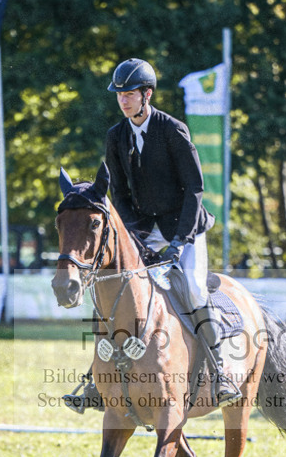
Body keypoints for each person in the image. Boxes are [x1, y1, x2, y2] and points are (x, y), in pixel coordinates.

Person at [66, 57, 241, 413]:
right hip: (144, 232)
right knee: (119, 293)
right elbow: (120, 195)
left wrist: (179, 241)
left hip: (185, 227)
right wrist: (135, 236)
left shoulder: (172, 129)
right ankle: (94, 381)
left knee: (191, 289)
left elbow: (194, 188)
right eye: (119, 94)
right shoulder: (116, 136)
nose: (123, 100)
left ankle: (221, 372)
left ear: (147, 94)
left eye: (130, 93)